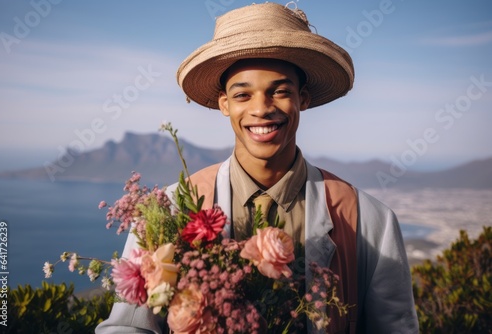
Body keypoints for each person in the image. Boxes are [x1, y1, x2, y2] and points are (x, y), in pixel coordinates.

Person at [96, 2, 419, 333]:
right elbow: (129, 325)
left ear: (302, 99)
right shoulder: (171, 209)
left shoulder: (368, 220)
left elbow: (395, 327)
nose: (262, 109)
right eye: (243, 95)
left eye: (279, 92)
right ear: (224, 103)